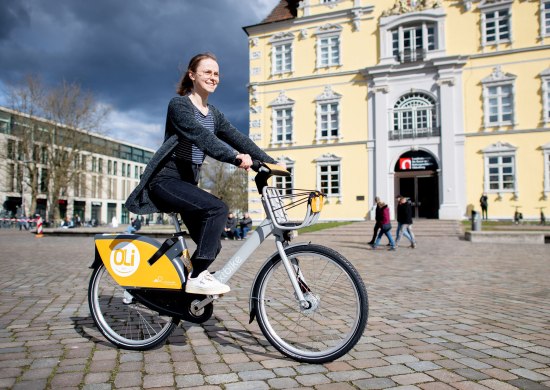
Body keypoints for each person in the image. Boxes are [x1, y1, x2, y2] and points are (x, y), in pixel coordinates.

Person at [125, 52, 278, 296]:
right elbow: (201, 136)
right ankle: (196, 278)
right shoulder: (179, 106)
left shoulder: (214, 114)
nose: (213, 77)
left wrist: (272, 163)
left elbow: (239, 138)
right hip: (166, 179)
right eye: (207, 72)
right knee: (217, 209)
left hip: (187, 182)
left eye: (216, 73)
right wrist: (234, 157)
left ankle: (184, 291)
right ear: (192, 75)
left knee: (213, 244)